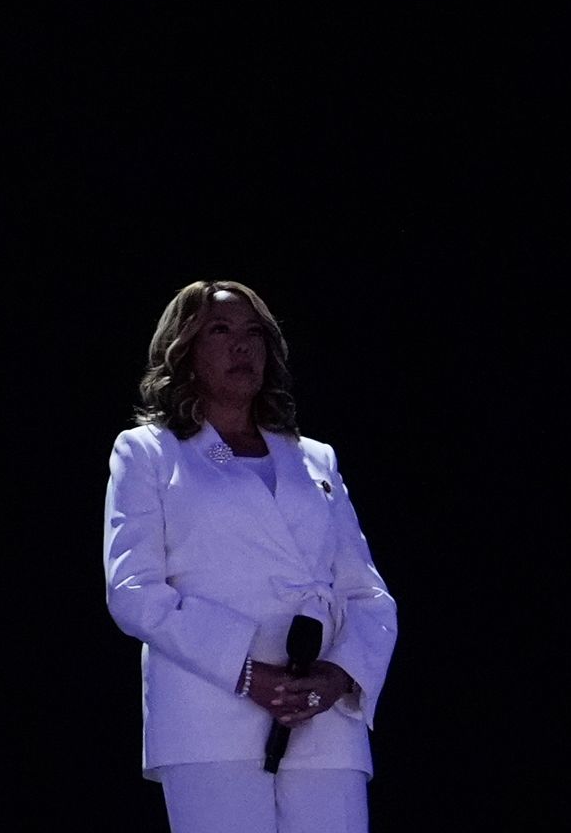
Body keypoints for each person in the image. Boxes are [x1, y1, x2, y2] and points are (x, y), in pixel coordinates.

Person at [101, 280, 399, 833]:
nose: (242, 346)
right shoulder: (148, 452)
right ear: (183, 348)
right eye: (221, 330)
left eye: (254, 333)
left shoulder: (314, 459)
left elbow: (368, 593)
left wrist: (338, 676)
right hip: (209, 714)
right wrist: (245, 672)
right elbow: (134, 592)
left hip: (322, 714)